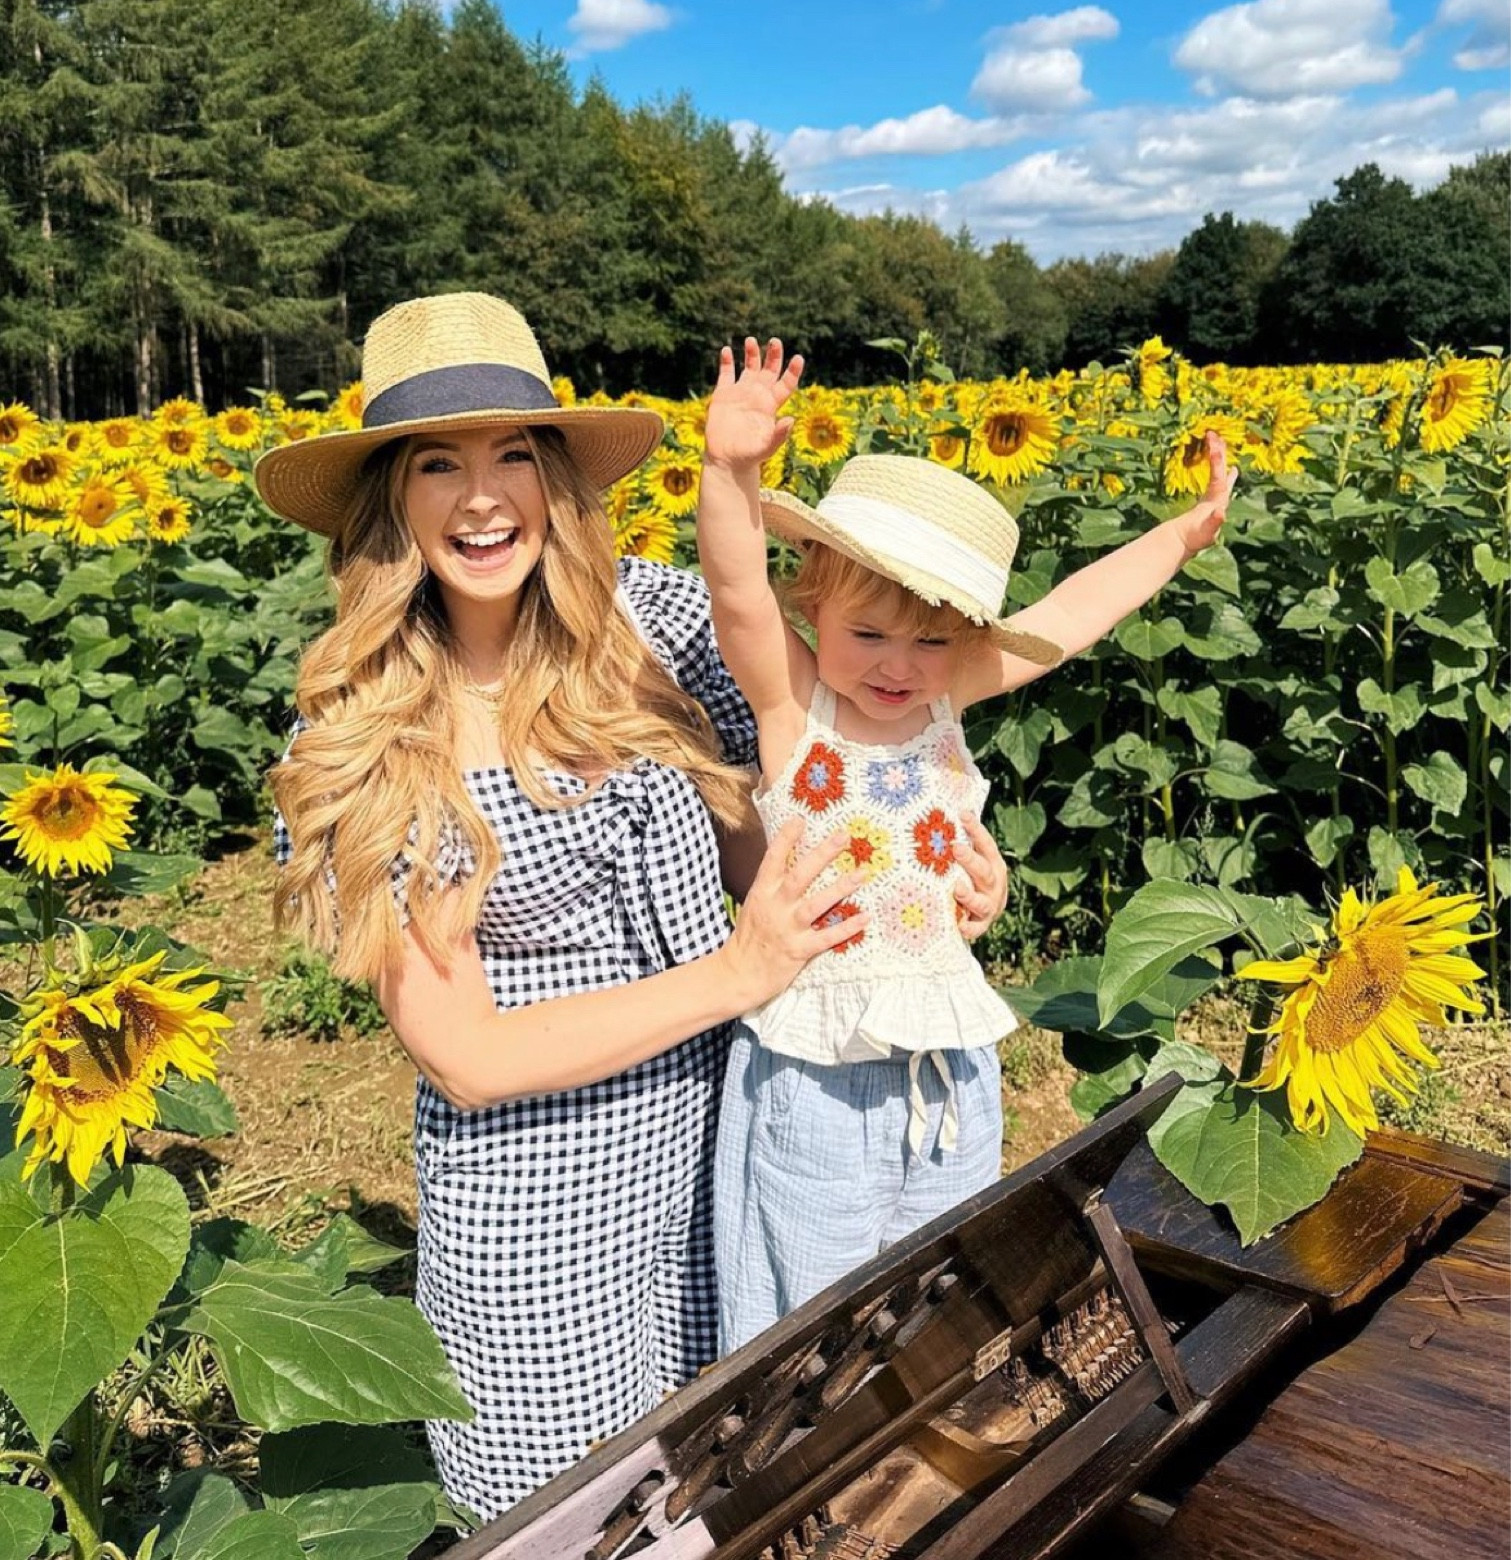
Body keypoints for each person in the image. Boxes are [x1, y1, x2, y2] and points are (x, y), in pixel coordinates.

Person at [254, 293, 1011, 1522]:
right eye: (437, 464)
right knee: (584, 1521)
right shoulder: (369, 724)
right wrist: (736, 971)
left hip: (738, 1150)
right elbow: (467, 1056)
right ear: (389, 500)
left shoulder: (652, 622)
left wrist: (927, 885)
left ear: (556, 477)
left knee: (755, 1483)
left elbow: (835, 766)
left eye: (513, 455)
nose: (482, 495)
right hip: (545, 1216)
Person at [699, 338, 1236, 1351]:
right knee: (803, 1304)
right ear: (815, 605)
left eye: (931, 640)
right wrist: (730, 473)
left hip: (946, 1062)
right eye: (868, 635)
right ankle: (786, 1477)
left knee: (938, 1289)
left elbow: (1070, 615)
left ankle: (899, 1458)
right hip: (818, 1065)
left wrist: (1178, 536)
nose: (898, 666)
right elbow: (734, 592)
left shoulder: (945, 699)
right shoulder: (797, 706)